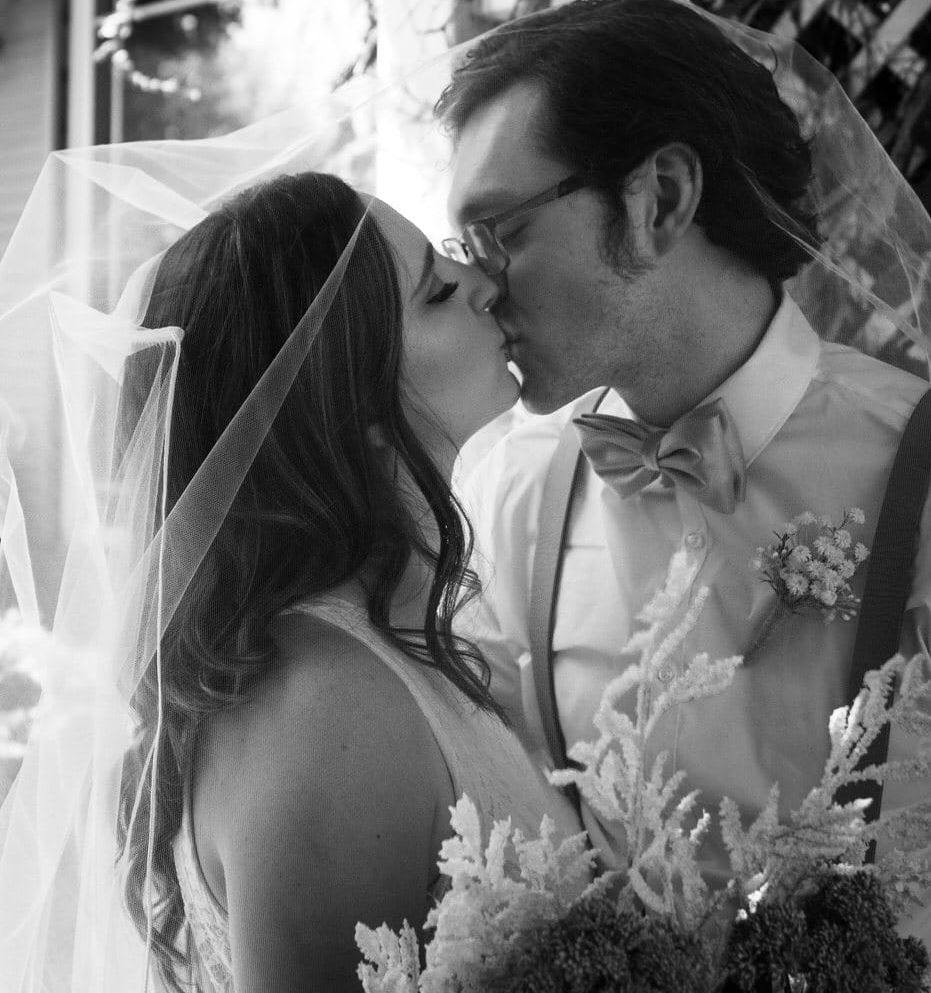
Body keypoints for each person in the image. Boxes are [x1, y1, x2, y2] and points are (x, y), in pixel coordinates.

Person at [0, 142, 581, 993]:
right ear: (351, 402)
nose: (487, 285)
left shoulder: (374, 650)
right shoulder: (325, 711)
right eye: (438, 291)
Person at [436, 0, 931, 941]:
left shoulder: (918, 463)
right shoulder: (509, 491)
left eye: (501, 234)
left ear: (658, 198)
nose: (479, 289)